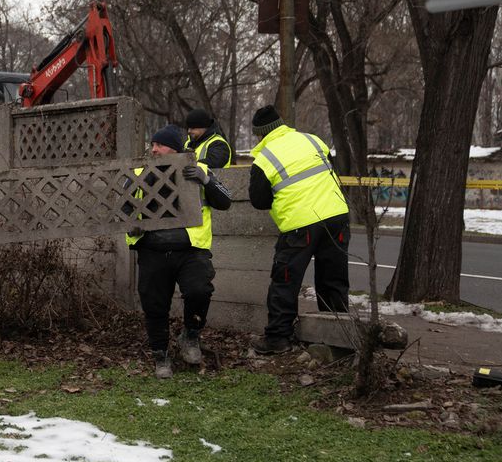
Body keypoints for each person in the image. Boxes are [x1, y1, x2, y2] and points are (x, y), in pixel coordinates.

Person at [128, 124, 232, 378]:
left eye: (159, 145)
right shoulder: (139, 172)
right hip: (152, 249)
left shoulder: (199, 169)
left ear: (175, 148)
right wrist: (133, 227)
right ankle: (160, 354)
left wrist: (205, 180)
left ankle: (191, 335)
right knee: (154, 304)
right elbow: (122, 210)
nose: (154, 150)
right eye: (152, 145)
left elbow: (225, 200)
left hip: (190, 249)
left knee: (199, 291)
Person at [248, 105, 350, 354]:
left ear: (260, 134)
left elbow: (259, 200)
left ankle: (278, 339)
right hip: (337, 215)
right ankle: (340, 340)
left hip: (299, 224)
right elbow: (329, 169)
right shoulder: (313, 140)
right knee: (333, 280)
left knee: (285, 281)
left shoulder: (264, 158)